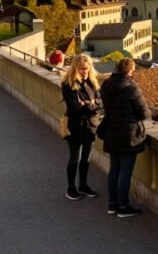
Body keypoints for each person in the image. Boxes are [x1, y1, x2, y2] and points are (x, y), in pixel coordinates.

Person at [99, 58, 150, 218]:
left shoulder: (106, 85)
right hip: (129, 135)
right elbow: (145, 114)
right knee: (125, 171)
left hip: (112, 131)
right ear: (130, 71)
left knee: (114, 168)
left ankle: (112, 205)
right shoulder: (132, 88)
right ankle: (123, 207)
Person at [60, 54, 102, 201]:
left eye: (87, 68)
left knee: (86, 158)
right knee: (75, 158)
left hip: (91, 126)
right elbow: (75, 108)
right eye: (82, 69)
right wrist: (92, 104)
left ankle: (83, 185)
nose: (85, 71)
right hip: (75, 126)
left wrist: (88, 104)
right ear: (75, 68)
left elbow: (101, 102)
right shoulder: (68, 85)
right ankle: (71, 188)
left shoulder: (92, 82)